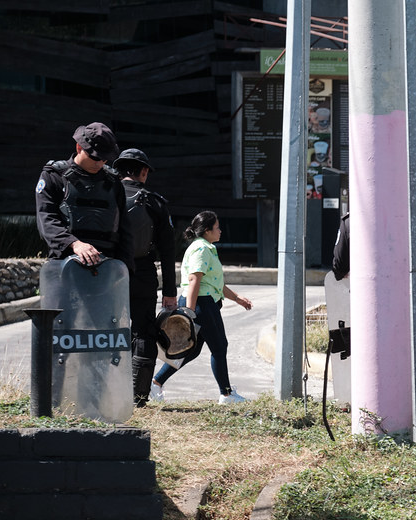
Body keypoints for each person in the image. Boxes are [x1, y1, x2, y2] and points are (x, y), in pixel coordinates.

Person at [331, 214, 416, 408]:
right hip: (409, 300)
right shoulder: (408, 213)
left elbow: (338, 267)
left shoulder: (351, 221)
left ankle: (368, 399)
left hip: (371, 304)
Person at [150, 211, 253, 404]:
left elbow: (214, 282)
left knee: (191, 349)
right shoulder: (201, 249)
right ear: (207, 230)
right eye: (217, 227)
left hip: (203, 301)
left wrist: (237, 298)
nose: (220, 231)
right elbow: (194, 279)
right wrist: (189, 310)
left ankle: (155, 383)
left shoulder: (207, 248)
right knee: (219, 346)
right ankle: (226, 394)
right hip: (201, 303)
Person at [114, 148, 178, 407]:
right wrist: (170, 291)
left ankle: (106, 389)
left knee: (105, 329)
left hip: (107, 273)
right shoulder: (154, 202)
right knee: (143, 332)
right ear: (143, 172)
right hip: (142, 273)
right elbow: (168, 249)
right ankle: (139, 396)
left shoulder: (107, 196)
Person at [35, 122, 134, 272]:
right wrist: (74, 244)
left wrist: (125, 271)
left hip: (107, 267)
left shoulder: (114, 182)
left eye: (105, 159)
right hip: (64, 265)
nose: (100, 163)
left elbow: (124, 230)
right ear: (79, 148)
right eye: (95, 158)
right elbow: (46, 220)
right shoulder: (54, 176)